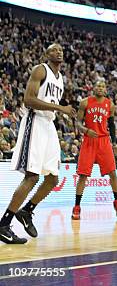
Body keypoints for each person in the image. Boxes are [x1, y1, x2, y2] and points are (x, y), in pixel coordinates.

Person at [0, 44, 76, 244]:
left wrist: (62, 112)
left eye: (61, 49)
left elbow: (50, 103)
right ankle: (3, 224)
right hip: (34, 122)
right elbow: (29, 100)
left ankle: (26, 211)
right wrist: (60, 108)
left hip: (48, 125)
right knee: (32, 177)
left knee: (52, 179)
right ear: (47, 54)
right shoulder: (40, 69)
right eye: (54, 49)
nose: (59, 51)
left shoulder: (61, 78)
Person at [71, 81, 117, 220]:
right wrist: (85, 130)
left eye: (102, 86)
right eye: (98, 86)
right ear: (93, 88)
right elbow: (77, 122)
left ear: (105, 89)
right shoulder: (84, 102)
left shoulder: (110, 105)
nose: (100, 88)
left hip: (104, 141)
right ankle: (77, 207)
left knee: (113, 173)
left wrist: (113, 141)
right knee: (83, 175)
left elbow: (111, 125)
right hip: (89, 140)